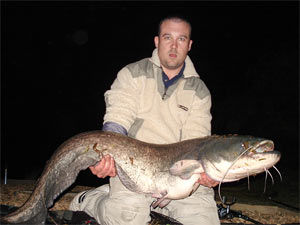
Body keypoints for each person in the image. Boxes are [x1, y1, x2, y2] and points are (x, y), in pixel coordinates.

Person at [69, 15, 220, 225]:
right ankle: (90, 199)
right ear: (157, 41)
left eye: (182, 39)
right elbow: (116, 123)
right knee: (127, 218)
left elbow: (196, 144)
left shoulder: (200, 91)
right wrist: (103, 156)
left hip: (183, 179)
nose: (174, 45)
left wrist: (208, 174)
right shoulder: (132, 74)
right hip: (133, 171)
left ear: (190, 45)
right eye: (168, 38)